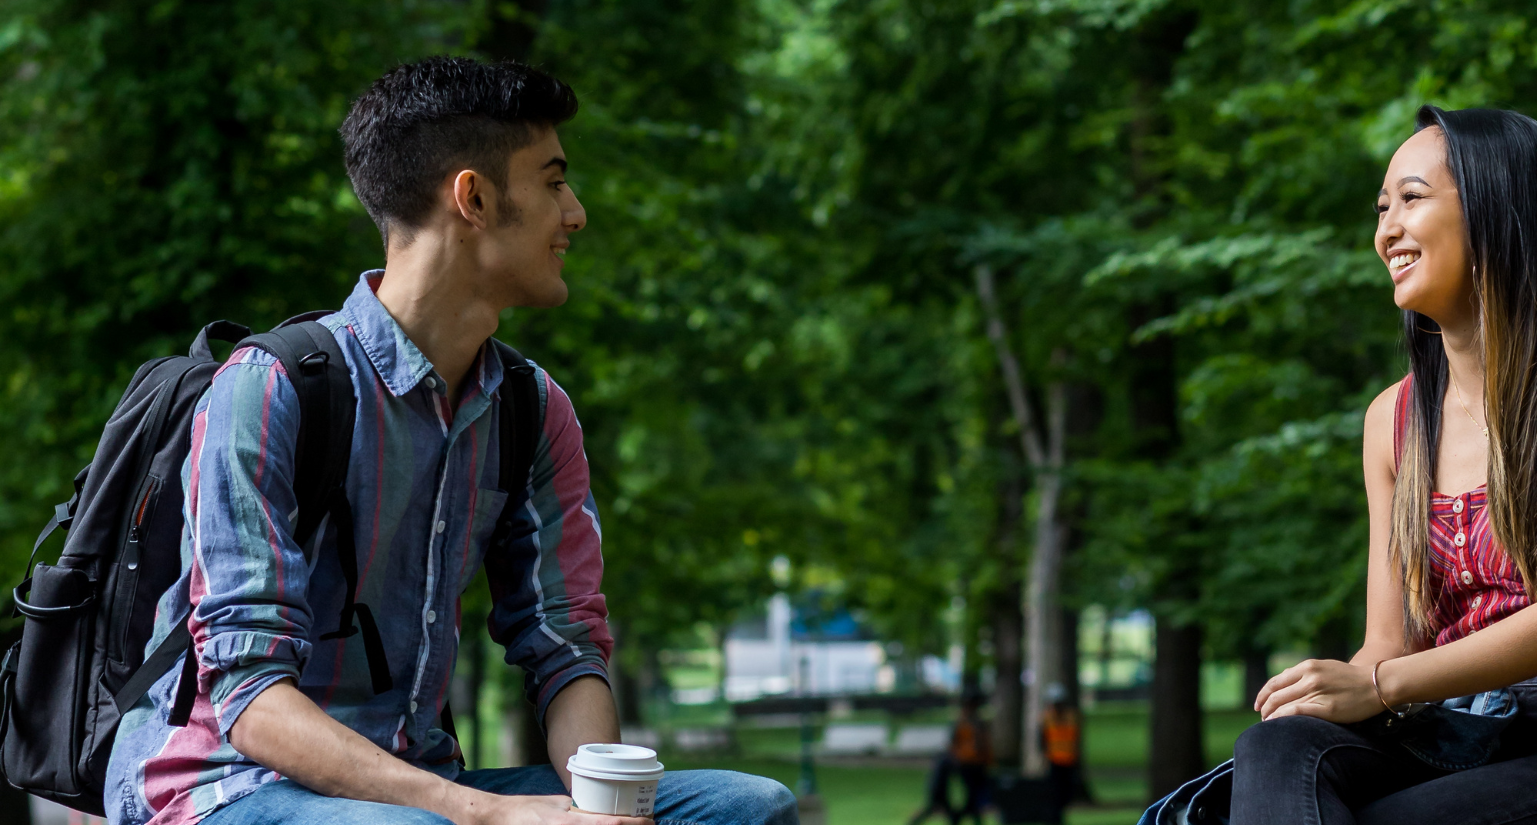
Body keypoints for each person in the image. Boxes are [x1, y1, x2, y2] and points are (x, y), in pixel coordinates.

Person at [103, 57, 798, 825]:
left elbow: (565, 643)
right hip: (228, 786)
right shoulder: (270, 388)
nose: (577, 213)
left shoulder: (531, 411)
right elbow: (251, 702)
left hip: (421, 787)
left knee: (747, 805)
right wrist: (484, 813)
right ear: (471, 196)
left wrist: (599, 807)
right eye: (554, 180)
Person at [1225, 106, 1537, 824]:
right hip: (1451, 730)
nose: (1385, 231)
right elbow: (1388, 641)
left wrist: (1379, 684)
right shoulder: (1393, 420)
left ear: (1497, 210)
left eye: (1411, 199)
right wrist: (1330, 690)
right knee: (1276, 751)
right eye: (1382, 209)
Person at [1039, 684, 1089, 807]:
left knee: (1067, 792)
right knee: (1054, 792)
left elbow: (1077, 738)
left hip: (1069, 759)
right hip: (1054, 759)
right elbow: (1042, 739)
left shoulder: (1072, 716)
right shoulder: (1047, 718)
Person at [949, 695, 993, 825]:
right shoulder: (961, 723)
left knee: (974, 797)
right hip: (966, 763)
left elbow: (985, 744)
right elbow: (953, 744)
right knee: (972, 796)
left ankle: (962, 819)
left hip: (979, 763)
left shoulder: (979, 723)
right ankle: (960, 818)